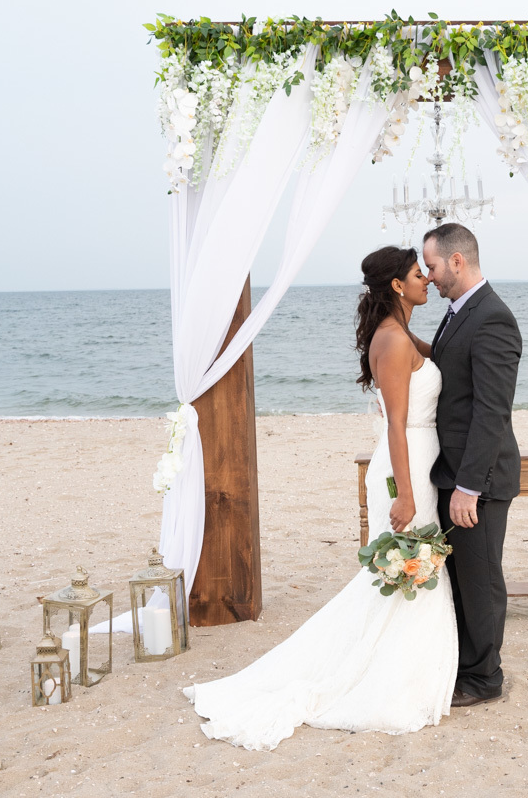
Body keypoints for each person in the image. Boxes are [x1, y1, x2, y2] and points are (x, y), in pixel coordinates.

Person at [183, 246, 457, 750]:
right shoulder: (393, 342)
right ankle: (383, 678)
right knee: (403, 570)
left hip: (417, 461)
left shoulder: (401, 333)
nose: (427, 280)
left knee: (405, 573)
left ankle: (398, 667)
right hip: (406, 468)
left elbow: (439, 358)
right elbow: (395, 422)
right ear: (398, 285)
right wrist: (406, 493)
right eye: (420, 274)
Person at [408, 223, 522, 707]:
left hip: (480, 479)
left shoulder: (493, 317)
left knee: (480, 580)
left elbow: (491, 411)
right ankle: (466, 666)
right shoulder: (459, 312)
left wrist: (469, 487)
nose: (428, 277)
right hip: (452, 472)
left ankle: (485, 678)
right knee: (462, 578)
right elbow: (450, 367)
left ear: (457, 261)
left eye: (431, 266)